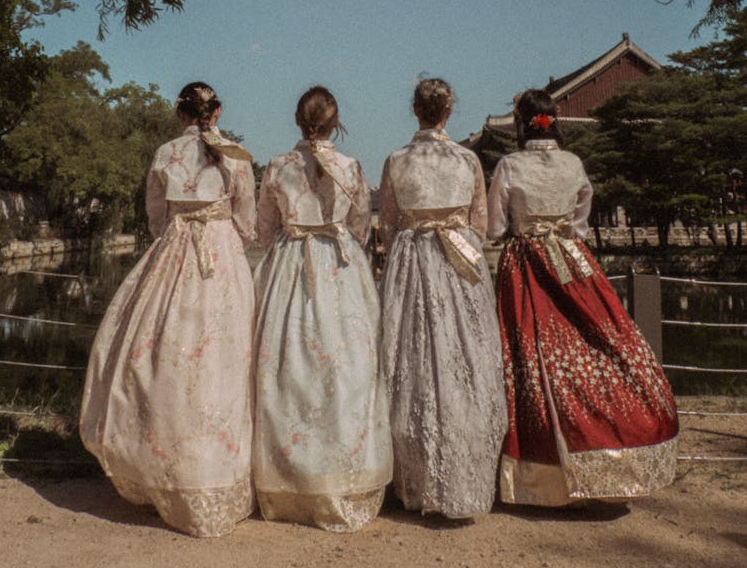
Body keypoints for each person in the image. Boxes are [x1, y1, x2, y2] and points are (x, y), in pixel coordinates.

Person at [487, 88, 679, 506]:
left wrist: (516, 233)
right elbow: (580, 219)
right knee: (599, 339)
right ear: (554, 121)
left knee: (528, 354)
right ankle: (615, 437)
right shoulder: (573, 163)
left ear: (521, 124)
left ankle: (534, 470)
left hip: (524, 263)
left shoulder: (510, 165)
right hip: (572, 261)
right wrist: (565, 236)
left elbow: (496, 225)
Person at [80, 82, 257, 537]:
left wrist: (182, 227)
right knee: (223, 362)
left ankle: (162, 466)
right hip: (221, 255)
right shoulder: (238, 156)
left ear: (181, 113)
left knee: (165, 359)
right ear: (217, 111)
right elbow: (248, 223)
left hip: (175, 250)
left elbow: (156, 219)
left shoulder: (164, 154)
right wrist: (220, 229)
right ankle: (217, 471)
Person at [252, 86, 392, 531]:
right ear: (335, 123)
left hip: (289, 265)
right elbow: (357, 227)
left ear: (298, 121)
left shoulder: (277, 166)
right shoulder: (350, 168)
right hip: (338, 266)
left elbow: (262, 230)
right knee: (346, 368)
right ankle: (342, 473)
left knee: (286, 368)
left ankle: (285, 479)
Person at [379, 78, 507, 519]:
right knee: (466, 356)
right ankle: (465, 471)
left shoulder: (396, 160)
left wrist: (416, 236)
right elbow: (482, 224)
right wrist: (451, 233)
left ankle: (412, 477)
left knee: (409, 357)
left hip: (411, 259)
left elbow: (388, 224)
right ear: (448, 112)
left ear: (415, 111)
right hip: (459, 261)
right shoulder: (467, 159)